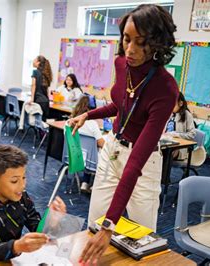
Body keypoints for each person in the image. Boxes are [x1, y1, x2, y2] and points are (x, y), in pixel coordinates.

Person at [68, 4, 178, 263]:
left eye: (140, 43)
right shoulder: (121, 64)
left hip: (143, 163)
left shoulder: (165, 88)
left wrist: (110, 226)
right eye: (127, 40)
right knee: (94, 225)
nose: (130, 49)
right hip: (113, 150)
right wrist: (88, 115)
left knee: (141, 241)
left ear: (157, 44)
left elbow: (135, 163)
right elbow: (121, 105)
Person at [0, 145, 67, 264]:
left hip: (12, 258)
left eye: (24, 177)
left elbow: (36, 227)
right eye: (14, 181)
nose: (22, 185)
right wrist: (16, 246)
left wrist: (51, 222)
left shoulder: (21, 196)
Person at [70, 95, 105, 193]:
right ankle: (95, 185)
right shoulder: (92, 124)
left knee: (88, 151)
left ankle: (85, 182)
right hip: (90, 162)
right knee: (102, 153)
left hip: (74, 157)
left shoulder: (70, 122)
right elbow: (101, 143)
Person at [164, 92, 196, 160]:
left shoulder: (187, 115)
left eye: (173, 104)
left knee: (165, 154)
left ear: (181, 103)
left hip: (178, 148)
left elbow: (192, 134)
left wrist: (176, 134)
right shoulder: (170, 113)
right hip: (166, 143)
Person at [30, 55, 53, 121]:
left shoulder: (35, 72)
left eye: (34, 59)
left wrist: (31, 99)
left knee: (36, 122)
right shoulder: (46, 73)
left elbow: (33, 85)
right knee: (43, 122)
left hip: (38, 101)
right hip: (45, 102)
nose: (33, 61)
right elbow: (47, 89)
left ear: (38, 62)